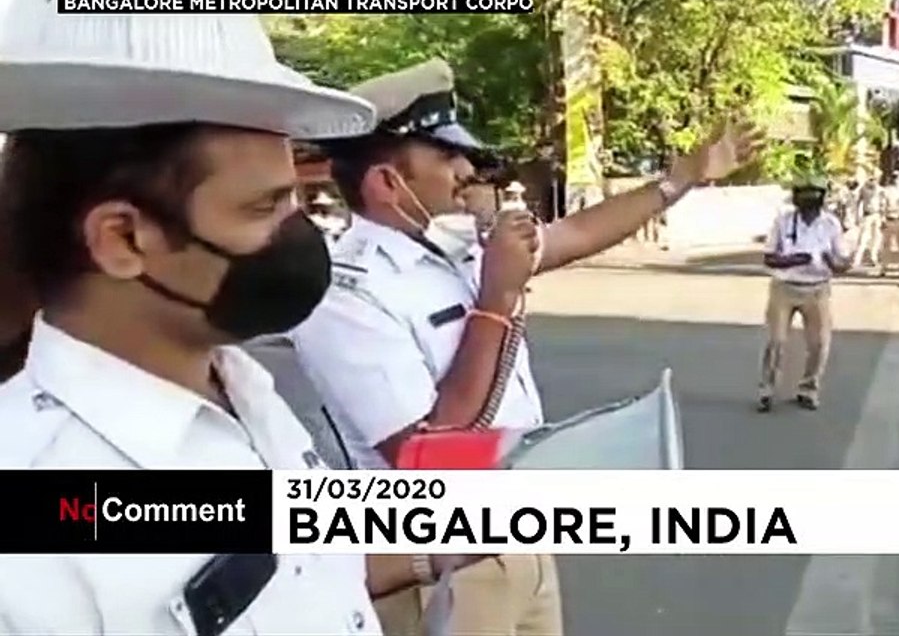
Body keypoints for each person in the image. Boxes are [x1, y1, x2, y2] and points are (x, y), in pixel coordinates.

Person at [0, 0, 483, 635]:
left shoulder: (240, 389)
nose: (301, 235)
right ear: (123, 239)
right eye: (265, 208)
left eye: (295, 198)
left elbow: (310, 568)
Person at [288, 58, 764, 636]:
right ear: (388, 182)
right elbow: (423, 457)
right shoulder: (345, 291)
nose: (466, 170)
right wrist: (496, 300)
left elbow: (580, 233)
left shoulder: (455, 243)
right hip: (437, 568)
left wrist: (680, 179)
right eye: (445, 157)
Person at [757, 174, 850, 413]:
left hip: (817, 289)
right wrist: (792, 260)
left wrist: (832, 262)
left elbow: (844, 263)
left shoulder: (831, 224)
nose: (809, 199)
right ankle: (767, 388)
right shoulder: (783, 222)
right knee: (776, 340)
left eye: (814, 194)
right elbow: (769, 257)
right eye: (804, 193)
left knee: (819, 343)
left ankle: (808, 388)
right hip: (785, 288)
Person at [876, 170, 899, 278]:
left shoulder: (898, 191)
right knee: (890, 246)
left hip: (896, 219)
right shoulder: (886, 192)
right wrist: (882, 219)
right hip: (891, 219)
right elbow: (882, 207)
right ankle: (885, 268)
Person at [851, 171, 883, 269]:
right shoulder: (863, 189)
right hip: (867, 215)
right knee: (863, 239)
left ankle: (873, 257)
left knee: (876, 238)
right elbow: (857, 202)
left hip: (877, 215)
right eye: (871, 178)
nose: (873, 180)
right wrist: (856, 216)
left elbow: (883, 203)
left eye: (875, 178)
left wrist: (883, 216)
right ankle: (857, 259)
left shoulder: (880, 189)